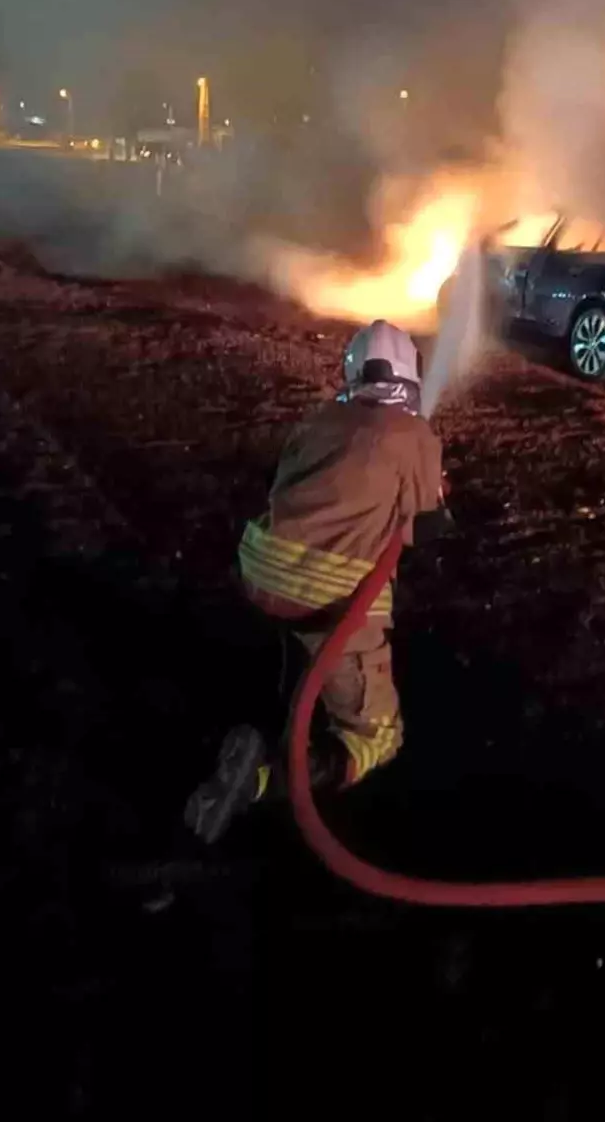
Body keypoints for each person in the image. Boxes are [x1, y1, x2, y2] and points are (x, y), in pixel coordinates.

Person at [185, 320, 446, 844]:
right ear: (410, 377)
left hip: (260, 571)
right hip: (330, 598)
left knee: (302, 653)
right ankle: (261, 783)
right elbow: (428, 529)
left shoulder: (318, 419)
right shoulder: (415, 434)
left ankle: (291, 707)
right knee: (377, 739)